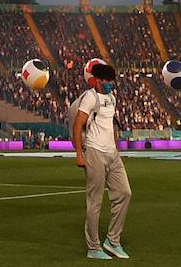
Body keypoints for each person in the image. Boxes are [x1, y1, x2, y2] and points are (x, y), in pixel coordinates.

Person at [72, 62, 131, 260]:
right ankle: (93, 247)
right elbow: (78, 124)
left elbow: (109, 124)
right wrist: (79, 153)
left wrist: (115, 146)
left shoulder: (112, 99)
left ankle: (112, 241)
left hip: (112, 153)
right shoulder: (91, 97)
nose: (110, 85)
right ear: (98, 81)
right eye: (106, 82)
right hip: (95, 152)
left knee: (124, 193)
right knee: (95, 201)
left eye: (112, 82)